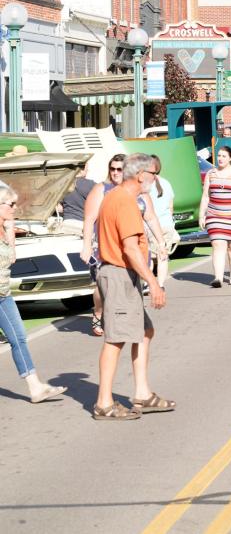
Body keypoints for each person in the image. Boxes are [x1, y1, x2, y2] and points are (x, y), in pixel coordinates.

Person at [93, 153, 171, 420]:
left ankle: (142, 393)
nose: (154, 178)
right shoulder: (124, 201)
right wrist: (154, 284)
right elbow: (130, 249)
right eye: (152, 173)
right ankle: (104, 403)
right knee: (115, 340)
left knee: (145, 331)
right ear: (140, 176)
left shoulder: (117, 197)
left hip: (120, 274)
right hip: (119, 275)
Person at [81, 154, 165, 336]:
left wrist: (161, 242)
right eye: (113, 169)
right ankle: (99, 310)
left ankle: (118, 317)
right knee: (103, 286)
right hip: (109, 246)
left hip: (133, 244)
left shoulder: (139, 192)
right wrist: (86, 245)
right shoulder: (103, 190)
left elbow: (150, 217)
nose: (116, 172)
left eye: (120, 169)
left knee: (142, 326)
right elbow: (89, 219)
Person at [0, 184, 67, 403]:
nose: (13, 208)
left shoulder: (4, 227)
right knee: (17, 338)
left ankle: (35, 387)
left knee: (19, 337)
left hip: (4, 294)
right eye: (10, 204)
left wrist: (9, 228)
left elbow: (12, 258)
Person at [199, 146, 231, 287]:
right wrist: (201, 215)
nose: (220, 158)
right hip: (215, 215)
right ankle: (218, 278)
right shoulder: (211, 173)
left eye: (223, 156)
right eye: (219, 156)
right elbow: (205, 196)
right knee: (217, 244)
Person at [146, 155, 177, 288]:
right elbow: (171, 207)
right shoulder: (166, 183)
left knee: (149, 257)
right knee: (162, 256)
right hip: (166, 224)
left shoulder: (144, 184)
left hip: (151, 226)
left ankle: (149, 283)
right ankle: (161, 284)